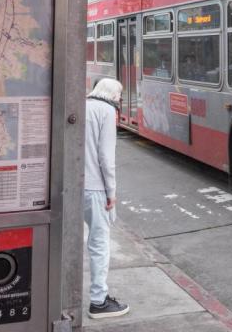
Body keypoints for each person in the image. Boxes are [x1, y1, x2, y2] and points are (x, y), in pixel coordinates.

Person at [85, 78, 130, 319]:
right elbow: (106, 158)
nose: (120, 101)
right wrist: (111, 194)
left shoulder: (82, 105)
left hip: (75, 186)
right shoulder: (107, 111)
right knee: (99, 245)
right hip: (95, 189)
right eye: (120, 97)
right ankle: (98, 301)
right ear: (113, 96)